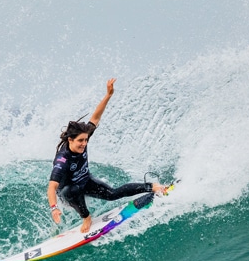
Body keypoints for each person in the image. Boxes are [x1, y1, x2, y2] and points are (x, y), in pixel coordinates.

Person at [48, 78, 166, 233]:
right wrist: (54, 208)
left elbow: (95, 118)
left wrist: (108, 95)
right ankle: (86, 217)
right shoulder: (62, 160)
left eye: (85, 140)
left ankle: (152, 186)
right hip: (67, 193)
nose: (84, 144)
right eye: (80, 141)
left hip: (85, 181)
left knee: (113, 194)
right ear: (70, 140)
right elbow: (52, 187)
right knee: (72, 190)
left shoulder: (83, 139)